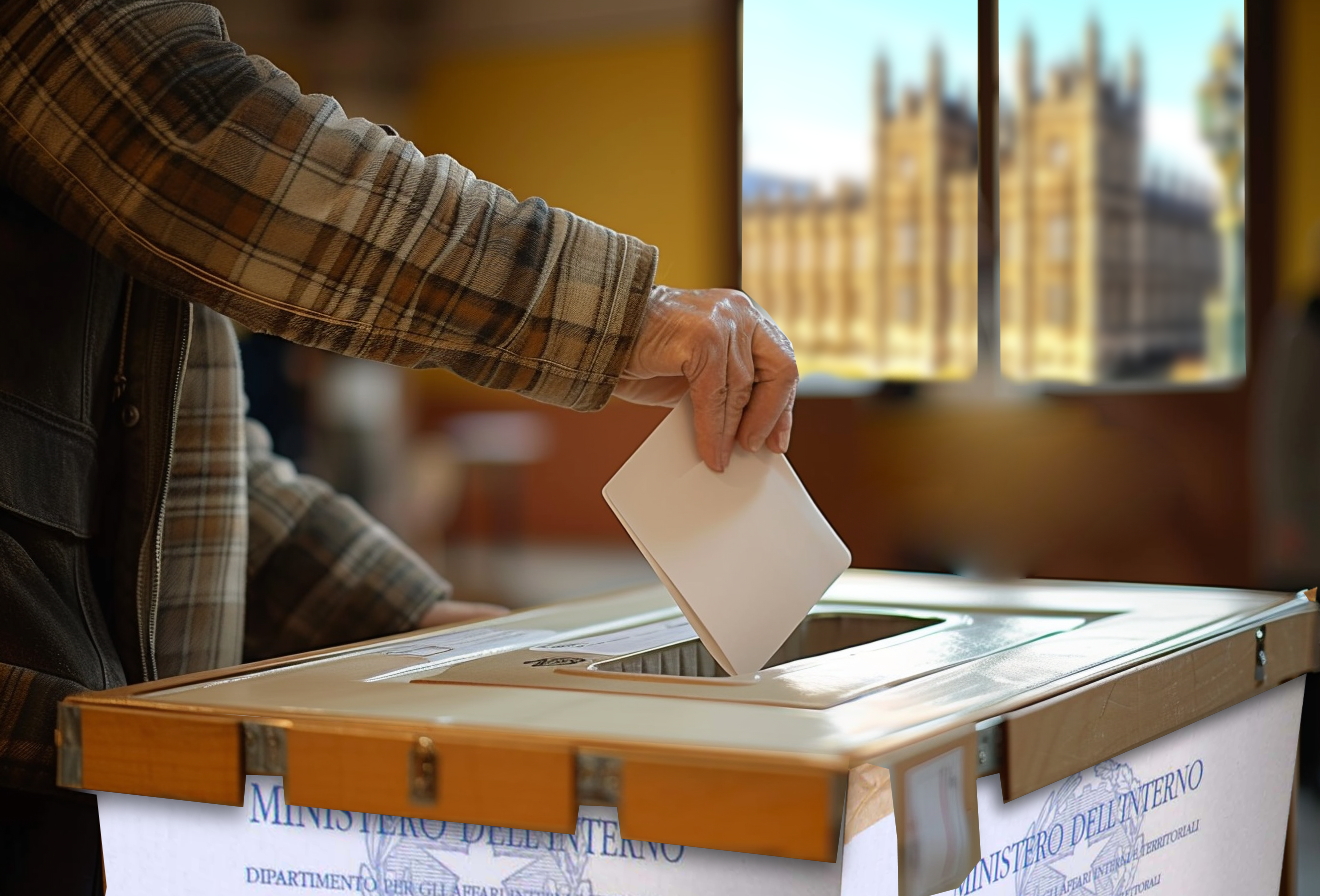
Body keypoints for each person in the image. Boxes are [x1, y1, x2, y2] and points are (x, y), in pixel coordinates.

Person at [0, 1, 798, 892]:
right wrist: (623, 316)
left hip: (104, 776)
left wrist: (408, 616)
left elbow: (191, 473)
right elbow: (204, 141)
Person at [1258, 231, 1320, 811]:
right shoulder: (1303, 330)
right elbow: (1281, 434)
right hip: (1312, 531)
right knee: (1311, 651)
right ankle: (1303, 771)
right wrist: (1286, 514)